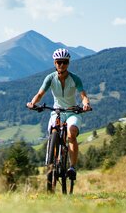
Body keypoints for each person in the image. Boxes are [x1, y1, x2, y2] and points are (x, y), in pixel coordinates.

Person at [26, 48, 90, 180]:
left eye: (65, 62)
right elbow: (40, 94)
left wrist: (85, 104)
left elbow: (83, 95)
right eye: (59, 62)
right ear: (55, 63)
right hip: (57, 111)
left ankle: (72, 167)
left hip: (73, 112)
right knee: (53, 132)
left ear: (68, 63)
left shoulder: (75, 79)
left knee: (71, 134)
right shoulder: (50, 78)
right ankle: (51, 160)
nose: (62, 65)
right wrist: (32, 103)